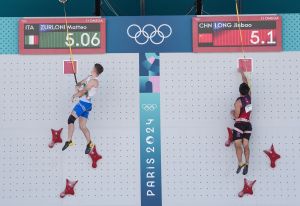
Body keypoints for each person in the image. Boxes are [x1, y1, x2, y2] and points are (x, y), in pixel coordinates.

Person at [62, 63, 104, 154]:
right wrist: (78, 85)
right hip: (86, 104)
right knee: (82, 126)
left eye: (92, 68)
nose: (91, 69)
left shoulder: (94, 81)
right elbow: (81, 83)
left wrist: (75, 95)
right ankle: (89, 143)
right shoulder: (89, 77)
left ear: (95, 70)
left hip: (84, 103)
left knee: (71, 119)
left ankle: (69, 140)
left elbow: (84, 90)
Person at [231, 68, 252, 175]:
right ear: (247, 90)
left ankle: (240, 163)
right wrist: (242, 73)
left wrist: (232, 113)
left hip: (239, 124)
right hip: (248, 125)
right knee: (246, 145)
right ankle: (247, 163)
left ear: (239, 91)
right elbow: (246, 82)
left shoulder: (238, 102)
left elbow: (237, 115)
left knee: (238, 145)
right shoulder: (249, 97)